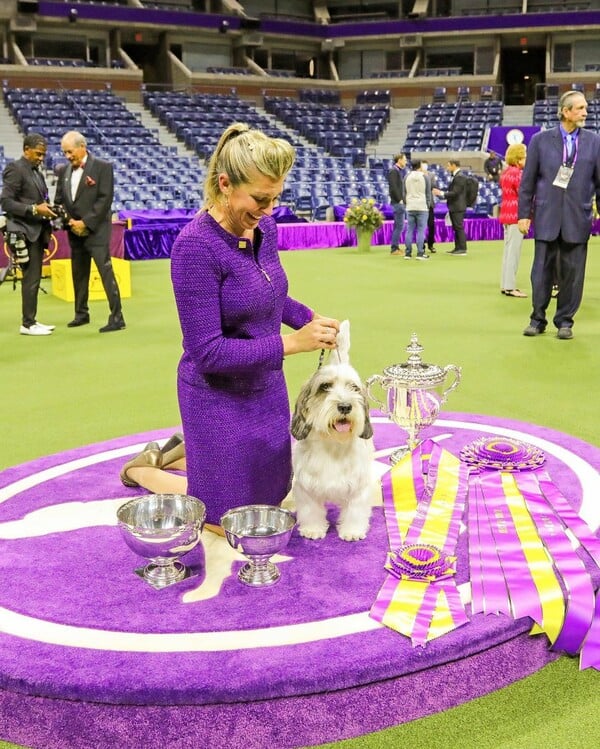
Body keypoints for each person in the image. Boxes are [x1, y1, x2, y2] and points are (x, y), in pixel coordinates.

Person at [121, 123, 340, 534]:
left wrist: (309, 318)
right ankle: (144, 469)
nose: (269, 209)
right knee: (224, 522)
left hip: (265, 387)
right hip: (214, 394)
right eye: (260, 198)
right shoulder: (194, 247)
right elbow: (208, 352)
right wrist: (292, 343)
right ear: (224, 184)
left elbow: (270, 297)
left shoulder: (265, 229)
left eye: (275, 198)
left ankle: (186, 452)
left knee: (274, 496)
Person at [518, 90, 600, 340]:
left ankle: (565, 321)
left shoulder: (594, 141)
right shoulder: (540, 141)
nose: (585, 112)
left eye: (586, 108)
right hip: (546, 216)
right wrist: (524, 214)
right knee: (540, 271)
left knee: (573, 274)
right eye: (580, 108)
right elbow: (527, 181)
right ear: (565, 112)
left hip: (578, 217)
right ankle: (537, 318)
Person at [54, 131, 125, 333]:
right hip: (73, 233)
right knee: (79, 274)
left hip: (96, 232)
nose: (67, 156)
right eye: (64, 152)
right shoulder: (63, 171)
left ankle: (117, 317)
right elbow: (60, 200)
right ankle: (81, 314)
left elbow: (105, 199)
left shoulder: (103, 167)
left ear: (82, 147)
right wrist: (69, 222)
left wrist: (85, 223)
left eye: (69, 151)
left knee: (105, 272)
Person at [1, 133, 57, 336]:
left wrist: (48, 209)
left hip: (38, 231)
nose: (41, 158)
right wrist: (34, 210)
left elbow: (40, 199)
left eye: (43, 155)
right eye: (38, 154)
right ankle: (27, 324)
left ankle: (31, 320)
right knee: (30, 279)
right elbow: (6, 202)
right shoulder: (15, 169)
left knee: (33, 278)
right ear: (26, 149)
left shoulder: (37, 173)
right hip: (24, 231)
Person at [498, 143, 528, 298]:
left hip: (506, 213)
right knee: (513, 252)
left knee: (508, 251)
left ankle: (505, 284)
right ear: (519, 158)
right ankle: (510, 286)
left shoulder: (505, 172)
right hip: (516, 215)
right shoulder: (518, 173)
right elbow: (524, 193)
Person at [403, 159, 431, 260]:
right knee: (420, 231)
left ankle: (408, 253)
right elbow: (428, 193)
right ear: (420, 166)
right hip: (422, 206)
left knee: (409, 230)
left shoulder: (407, 176)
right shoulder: (425, 177)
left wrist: (407, 203)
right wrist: (428, 205)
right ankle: (420, 253)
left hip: (410, 206)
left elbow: (404, 192)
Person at [443, 159, 469, 256]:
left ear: (454, 165)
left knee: (459, 227)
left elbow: (455, 192)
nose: (447, 167)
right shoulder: (457, 176)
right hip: (455, 206)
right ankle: (458, 247)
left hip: (458, 206)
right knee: (456, 227)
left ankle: (462, 248)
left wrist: (442, 193)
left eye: (448, 165)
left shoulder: (460, 177)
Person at [388, 153, 407, 256]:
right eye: (404, 159)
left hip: (399, 202)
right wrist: (400, 199)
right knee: (399, 226)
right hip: (398, 202)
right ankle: (394, 248)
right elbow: (393, 187)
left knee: (398, 226)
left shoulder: (397, 171)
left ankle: (395, 247)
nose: (406, 161)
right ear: (399, 160)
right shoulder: (393, 171)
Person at [421, 160, 442, 254]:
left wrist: (426, 177)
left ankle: (431, 244)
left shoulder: (431, 175)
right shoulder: (416, 175)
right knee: (421, 226)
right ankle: (421, 245)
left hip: (429, 204)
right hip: (420, 204)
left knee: (431, 225)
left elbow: (434, 186)